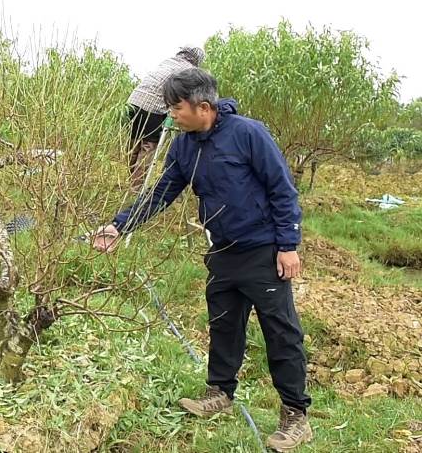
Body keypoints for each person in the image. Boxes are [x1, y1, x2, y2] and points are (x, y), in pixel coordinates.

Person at [93, 68, 312, 452]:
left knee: (281, 331)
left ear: (204, 107)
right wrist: (119, 225)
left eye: (176, 108)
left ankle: (295, 415)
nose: (171, 115)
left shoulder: (248, 134)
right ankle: (220, 393)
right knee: (224, 325)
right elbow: (161, 193)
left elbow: (282, 189)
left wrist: (288, 244)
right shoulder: (183, 147)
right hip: (223, 251)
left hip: (263, 250)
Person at [126, 46, 205, 189]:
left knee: (134, 143)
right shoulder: (189, 71)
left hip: (133, 101)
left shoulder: (169, 61)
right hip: (153, 106)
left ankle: (130, 182)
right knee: (148, 147)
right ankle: (136, 189)